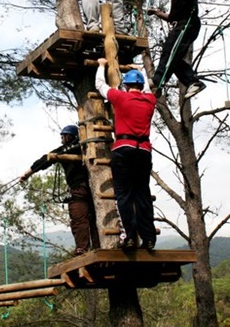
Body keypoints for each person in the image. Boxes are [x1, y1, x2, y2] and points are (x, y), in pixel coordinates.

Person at [95, 59, 157, 250]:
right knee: (142, 195)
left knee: (123, 195)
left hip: (123, 148)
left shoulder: (120, 97)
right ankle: (148, 239)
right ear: (140, 85)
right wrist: (141, 70)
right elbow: (148, 88)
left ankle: (129, 237)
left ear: (126, 85)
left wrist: (102, 65)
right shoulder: (150, 100)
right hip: (144, 151)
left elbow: (100, 85)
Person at [20, 125, 100, 255]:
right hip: (93, 189)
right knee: (93, 218)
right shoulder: (87, 146)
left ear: (69, 136)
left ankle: (82, 248)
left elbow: (45, 159)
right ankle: (97, 246)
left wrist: (27, 173)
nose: (62, 139)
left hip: (79, 188)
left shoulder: (68, 149)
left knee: (79, 219)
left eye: (63, 136)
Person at [147, 0, 206, 98]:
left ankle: (158, 78)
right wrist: (157, 13)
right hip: (180, 24)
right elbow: (171, 18)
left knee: (170, 50)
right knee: (174, 56)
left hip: (188, 23)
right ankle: (193, 82)